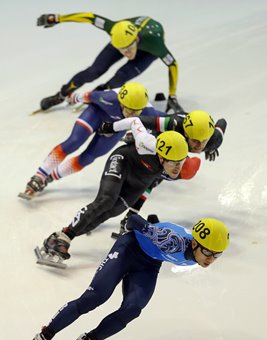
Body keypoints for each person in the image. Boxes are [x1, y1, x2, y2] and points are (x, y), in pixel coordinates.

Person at [17, 214, 229, 340]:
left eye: (216, 256)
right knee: (94, 297)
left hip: (149, 265)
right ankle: (43, 338)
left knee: (132, 309)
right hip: (128, 250)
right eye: (208, 253)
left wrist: (153, 223)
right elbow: (133, 221)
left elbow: (159, 226)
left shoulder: (198, 250)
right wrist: (146, 227)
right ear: (194, 243)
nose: (210, 259)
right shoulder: (172, 241)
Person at [33, 118, 189, 267]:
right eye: (174, 163)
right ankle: (64, 236)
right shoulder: (146, 142)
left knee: (111, 211)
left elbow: (152, 184)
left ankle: (59, 238)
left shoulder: (184, 167)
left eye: (181, 161)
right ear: (161, 157)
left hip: (139, 180)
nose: (177, 168)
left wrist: (135, 209)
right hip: (123, 161)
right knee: (106, 200)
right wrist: (110, 127)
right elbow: (134, 121)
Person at [19, 82, 164, 199]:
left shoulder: (148, 112)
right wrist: (71, 98)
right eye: (129, 110)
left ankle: (50, 178)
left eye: (136, 111)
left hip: (115, 128)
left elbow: (164, 123)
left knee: (88, 158)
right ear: (120, 103)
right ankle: (39, 175)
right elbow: (85, 96)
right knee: (74, 142)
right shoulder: (108, 97)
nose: (132, 114)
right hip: (97, 114)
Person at [101, 109, 227, 236]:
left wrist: (211, 147)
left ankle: (129, 216)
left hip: (176, 150)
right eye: (195, 141)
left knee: (174, 173)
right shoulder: (173, 124)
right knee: (154, 174)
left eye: (204, 141)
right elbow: (139, 121)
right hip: (162, 139)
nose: (199, 146)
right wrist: (112, 128)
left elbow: (222, 122)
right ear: (186, 134)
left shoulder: (214, 140)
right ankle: (125, 214)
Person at [36, 12, 181, 113]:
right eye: (122, 51)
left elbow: (172, 65)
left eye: (128, 49)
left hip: (147, 52)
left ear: (135, 40)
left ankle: (100, 92)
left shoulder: (155, 44)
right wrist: (57, 18)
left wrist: (172, 95)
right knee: (94, 71)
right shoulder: (113, 27)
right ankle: (61, 95)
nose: (126, 54)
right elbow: (90, 17)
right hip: (123, 37)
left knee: (120, 77)